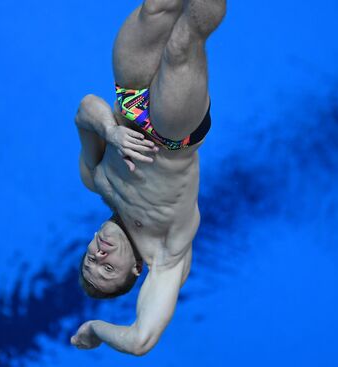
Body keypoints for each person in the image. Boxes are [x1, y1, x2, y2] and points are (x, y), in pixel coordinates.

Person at [70, 0, 225, 355]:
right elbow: (141, 341)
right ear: (135, 270)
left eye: (91, 258)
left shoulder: (95, 180)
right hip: (174, 134)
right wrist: (95, 328)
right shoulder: (166, 254)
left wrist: (110, 132)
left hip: (128, 99)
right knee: (182, 45)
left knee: (156, 8)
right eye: (108, 267)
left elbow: (85, 109)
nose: (100, 254)